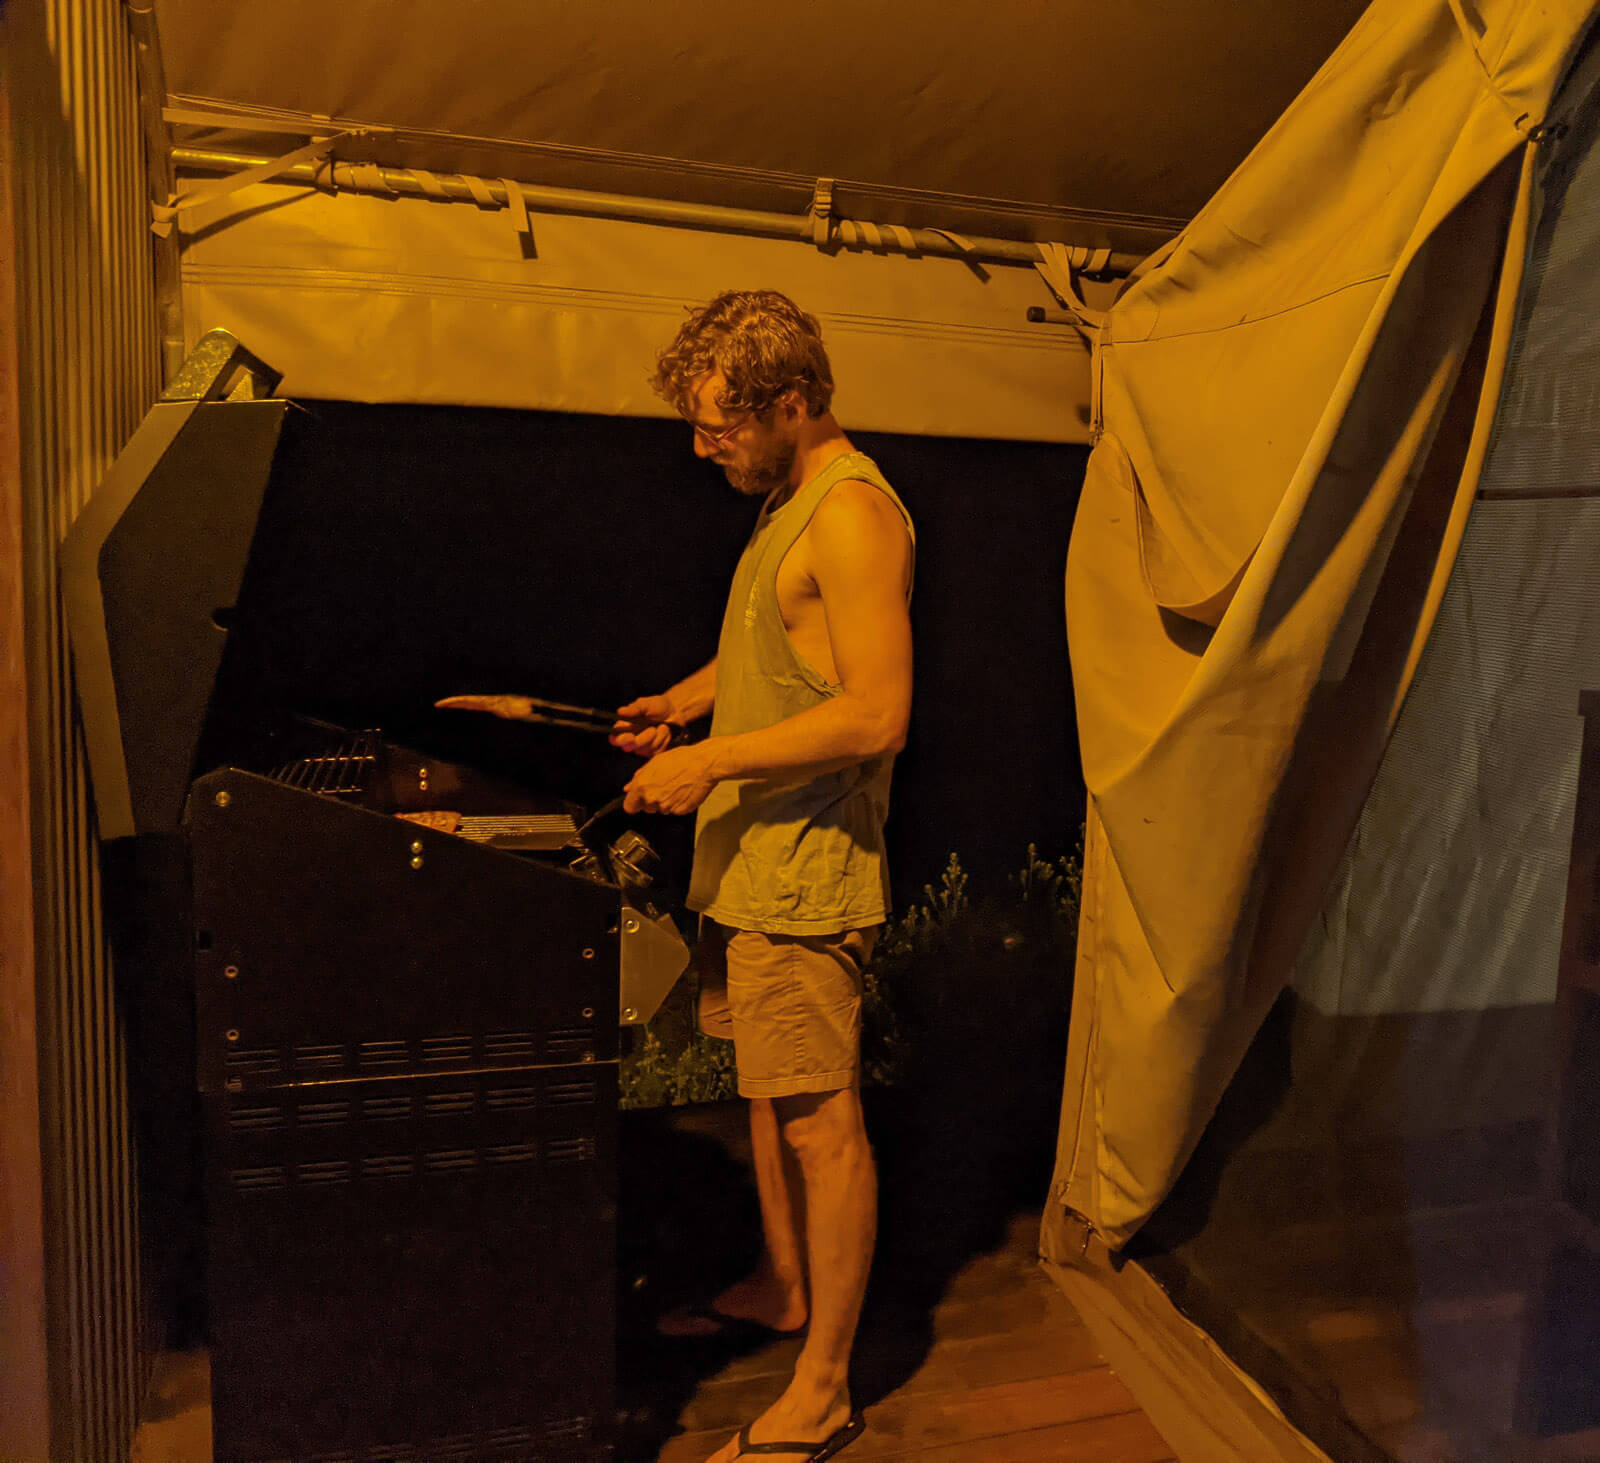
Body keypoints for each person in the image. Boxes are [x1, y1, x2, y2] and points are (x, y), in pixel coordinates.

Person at [615, 290, 914, 1463]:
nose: (704, 449)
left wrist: (714, 759)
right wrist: (688, 704)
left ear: (792, 403)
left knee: (820, 1122)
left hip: (807, 875)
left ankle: (824, 1386)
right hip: (752, 862)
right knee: (766, 1095)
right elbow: (786, 649)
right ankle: (784, 1285)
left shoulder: (850, 514)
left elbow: (878, 711)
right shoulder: (784, 500)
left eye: (718, 427)